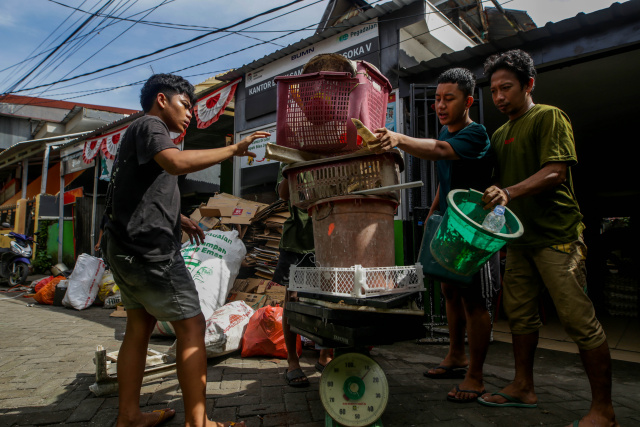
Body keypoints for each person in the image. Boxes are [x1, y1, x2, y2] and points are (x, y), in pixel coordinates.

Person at [104, 73, 269, 427]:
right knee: (193, 326)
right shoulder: (151, 125)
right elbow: (176, 164)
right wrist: (234, 150)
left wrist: (178, 218)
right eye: (185, 104)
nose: (191, 113)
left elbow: (135, 193)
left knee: (139, 326)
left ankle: (129, 416)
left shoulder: (138, 133)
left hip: (123, 247)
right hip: (149, 251)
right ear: (161, 99)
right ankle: (200, 423)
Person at [478, 49, 618, 427]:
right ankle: (523, 387)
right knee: (520, 317)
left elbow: (555, 172)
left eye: (507, 87)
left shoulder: (548, 116)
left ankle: (603, 412)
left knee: (578, 320)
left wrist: (508, 192)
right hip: (521, 242)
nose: (500, 97)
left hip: (558, 237)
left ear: (529, 85)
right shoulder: (500, 132)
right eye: (493, 91)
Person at [375, 68, 499, 403]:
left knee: (474, 300)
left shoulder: (475, 135)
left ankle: (476, 376)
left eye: (449, 99)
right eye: (436, 99)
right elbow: (446, 178)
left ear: (468, 101)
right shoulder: (447, 129)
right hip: (448, 223)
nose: (440, 106)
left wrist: (399, 138)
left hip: (475, 228)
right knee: (448, 289)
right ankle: (456, 355)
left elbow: (441, 152)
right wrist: (433, 214)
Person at [275, 165, 332, 388]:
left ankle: (325, 354)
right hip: (298, 238)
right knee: (293, 299)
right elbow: (282, 193)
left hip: (329, 232)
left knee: (329, 297)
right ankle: (292, 360)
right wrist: (291, 170)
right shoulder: (290, 155)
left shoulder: (333, 156)